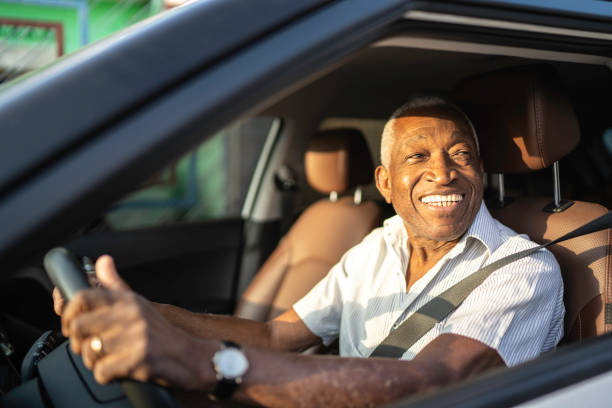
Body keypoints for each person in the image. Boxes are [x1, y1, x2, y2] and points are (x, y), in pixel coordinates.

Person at [54, 95, 564, 407]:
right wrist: (153, 315)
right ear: (385, 183)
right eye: (418, 156)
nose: (443, 171)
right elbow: (278, 335)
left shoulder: (522, 271)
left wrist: (198, 362)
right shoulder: (378, 245)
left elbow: (429, 383)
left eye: (461, 155)